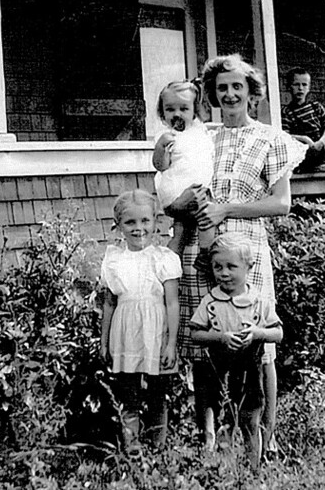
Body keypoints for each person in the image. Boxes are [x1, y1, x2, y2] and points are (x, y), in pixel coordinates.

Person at [170, 54, 305, 458]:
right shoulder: (199, 138)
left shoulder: (270, 138)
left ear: (250, 94)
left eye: (237, 87)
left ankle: (268, 435)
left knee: (259, 343)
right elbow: (173, 190)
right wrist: (184, 203)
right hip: (200, 248)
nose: (229, 94)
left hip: (247, 250)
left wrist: (227, 209)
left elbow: (280, 203)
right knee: (202, 341)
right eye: (221, 87)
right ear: (211, 94)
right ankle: (208, 436)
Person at [99, 189, 182, 456]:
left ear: (156, 222)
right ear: (119, 226)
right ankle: (132, 446)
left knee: (158, 394)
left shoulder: (163, 258)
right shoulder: (114, 259)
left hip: (156, 333)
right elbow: (109, 303)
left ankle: (158, 446)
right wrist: (104, 342)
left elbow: (172, 303)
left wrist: (171, 344)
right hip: (125, 333)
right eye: (130, 223)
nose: (139, 229)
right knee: (128, 393)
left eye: (145, 221)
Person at [190, 232, 283, 469]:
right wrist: (220, 337)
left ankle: (253, 470)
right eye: (217, 267)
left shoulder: (258, 301)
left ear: (249, 266)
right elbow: (196, 333)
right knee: (223, 421)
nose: (224, 273)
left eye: (231, 266)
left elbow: (278, 333)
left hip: (251, 372)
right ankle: (224, 469)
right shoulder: (210, 302)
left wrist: (257, 333)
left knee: (251, 420)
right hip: (219, 373)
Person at [152, 80, 215, 255]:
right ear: (162, 112)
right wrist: (160, 148)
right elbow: (161, 166)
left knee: (184, 229)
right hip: (178, 190)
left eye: (184, 109)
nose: (177, 114)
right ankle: (197, 255)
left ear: (195, 110)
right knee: (205, 219)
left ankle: (196, 255)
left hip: (197, 188)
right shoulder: (168, 136)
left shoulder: (199, 131)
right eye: (170, 109)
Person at [281, 67, 325, 173]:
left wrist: (321, 142)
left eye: (304, 85)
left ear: (309, 88)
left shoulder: (316, 106)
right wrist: (305, 139)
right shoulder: (287, 112)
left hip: (319, 149)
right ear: (289, 87)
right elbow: (286, 135)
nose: (300, 88)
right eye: (296, 84)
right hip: (302, 152)